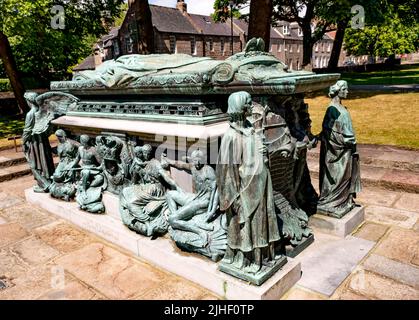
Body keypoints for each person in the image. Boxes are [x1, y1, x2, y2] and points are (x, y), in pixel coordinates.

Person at [216, 91, 281, 275]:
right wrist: (232, 198)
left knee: (263, 222)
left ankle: (265, 255)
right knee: (249, 225)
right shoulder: (231, 136)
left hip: (261, 185)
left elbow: (259, 155)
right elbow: (225, 171)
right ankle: (249, 259)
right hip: (245, 191)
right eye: (248, 103)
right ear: (239, 106)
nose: (252, 106)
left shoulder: (251, 129)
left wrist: (263, 153)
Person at [317, 80, 362, 218]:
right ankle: (332, 202)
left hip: (346, 151)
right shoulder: (332, 109)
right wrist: (345, 141)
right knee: (337, 176)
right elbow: (328, 132)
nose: (347, 92)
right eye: (345, 89)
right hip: (337, 152)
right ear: (338, 91)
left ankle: (343, 201)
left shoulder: (342, 108)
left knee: (346, 175)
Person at [164, 149, 219, 243]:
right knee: (169, 194)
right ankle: (180, 219)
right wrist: (168, 160)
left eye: (199, 161)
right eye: (194, 161)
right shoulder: (193, 167)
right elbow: (180, 165)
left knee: (172, 219)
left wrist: (212, 211)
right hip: (194, 198)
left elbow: (216, 192)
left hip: (203, 203)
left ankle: (199, 231)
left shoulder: (209, 170)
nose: (197, 163)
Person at [22, 92, 55, 192]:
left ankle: (44, 184)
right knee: (44, 159)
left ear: (29, 101)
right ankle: (48, 179)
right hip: (43, 140)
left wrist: (23, 142)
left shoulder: (30, 114)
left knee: (35, 162)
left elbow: (27, 130)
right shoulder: (43, 111)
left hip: (35, 142)